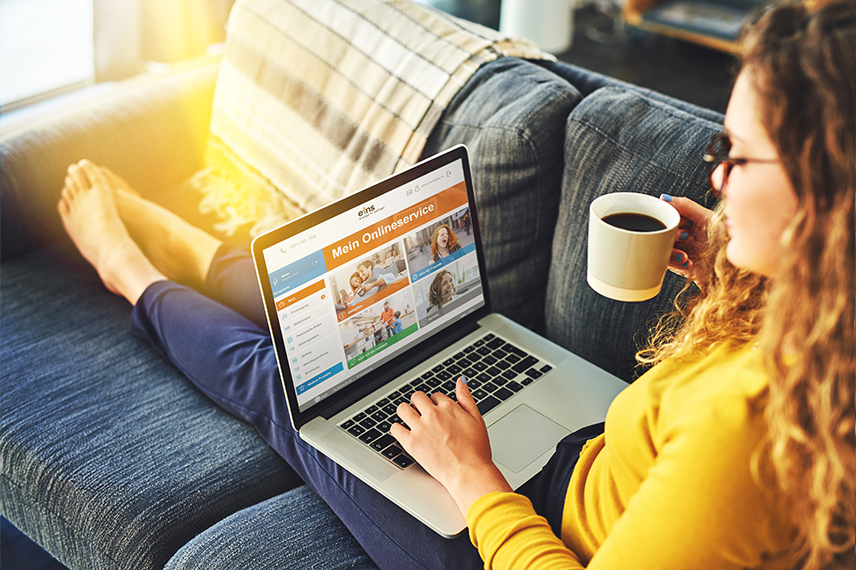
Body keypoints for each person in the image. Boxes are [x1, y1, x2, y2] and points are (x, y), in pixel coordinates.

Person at [57, 2, 853, 568]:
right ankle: (205, 255)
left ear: (829, 194)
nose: (714, 177)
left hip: (521, 534)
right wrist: (725, 259)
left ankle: (131, 274)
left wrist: (473, 479)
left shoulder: (754, 431)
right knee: (333, 327)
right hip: (583, 469)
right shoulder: (821, 306)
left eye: (740, 158)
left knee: (291, 395)